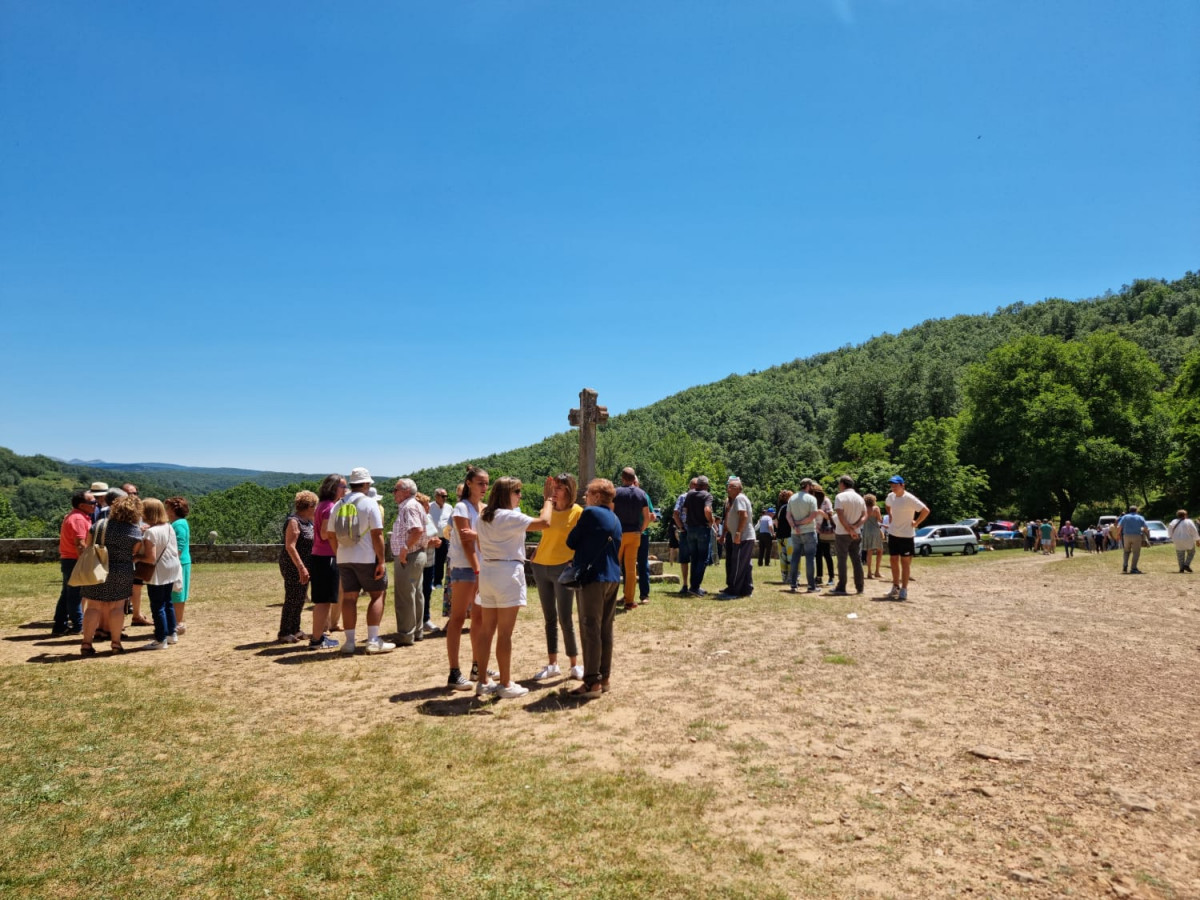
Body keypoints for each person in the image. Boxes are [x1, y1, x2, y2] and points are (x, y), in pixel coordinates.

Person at [474, 477, 554, 698]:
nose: (520, 495)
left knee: (487, 629)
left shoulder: (483, 517)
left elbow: (479, 544)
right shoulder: (509, 516)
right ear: (506, 494)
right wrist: (548, 500)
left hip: (488, 571)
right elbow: (545, 522)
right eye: (517, 491)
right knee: (505, 633)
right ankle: (506, 684)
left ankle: (482, 681)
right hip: (507, 572)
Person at [325, 467, 393, 655]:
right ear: (364, 484)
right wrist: (381, 560)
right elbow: (377, 534)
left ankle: (349, 642)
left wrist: (339, 552)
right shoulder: (369, 503)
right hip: (367, 557)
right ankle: (372, 640)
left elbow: (330, 534)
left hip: (344, 558)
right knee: (377, 595)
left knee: (349, 598)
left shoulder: (338, 505)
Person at [566, 478, 623, 699]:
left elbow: (571, 541)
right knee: (605, 629)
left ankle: (591, 683)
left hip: (593, 578)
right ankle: (604, 677)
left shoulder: (589, 514)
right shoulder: (615, 518)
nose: (584, 497)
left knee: (590, 628)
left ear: (597, 496)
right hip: (612, 577)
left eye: (588, 493)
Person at [529, 472, 584, 682]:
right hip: (541, 566)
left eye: (559, 488)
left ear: (569, 490)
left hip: (563, 568)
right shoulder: (548, 509)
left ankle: (574, 664)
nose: (555, 491)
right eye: (554, 487)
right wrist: (535, 551)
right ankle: (552, 664)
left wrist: (574, 561)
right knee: (549, 619)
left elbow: (582, 541)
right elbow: (544, 533)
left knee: (565, 618)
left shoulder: (578, 512)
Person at [80, 495, 145, 655]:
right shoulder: (135, 531)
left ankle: (86, 644)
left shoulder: (100, 524)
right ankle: (116, 643)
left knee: (93, 606)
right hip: (122, 571)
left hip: (97, 569)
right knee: (117, 607)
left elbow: (88, 545)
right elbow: (135, 552)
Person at [445, 466, 489, 691]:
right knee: (458, 618)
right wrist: (478, 570)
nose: (484, 487)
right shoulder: (461, 508)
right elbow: (466, 542)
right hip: (465, 568)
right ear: (469, 483)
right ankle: (454, 671)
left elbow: (487, 538)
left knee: (479, 619)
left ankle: (477, 665)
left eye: (486, 483)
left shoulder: (484, 508)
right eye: (480, 483)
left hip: (481, 567)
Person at [136, 498, 183, 650]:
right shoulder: (169, 527)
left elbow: (150, 558)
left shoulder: (150, 532)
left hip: (158, 571)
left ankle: (160, 638)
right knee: (168, 602)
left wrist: (136, 557)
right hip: (171, 567)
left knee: (157, 605)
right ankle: (171, 634)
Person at [305, 475, 345, 649]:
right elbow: (324, 533)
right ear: (333, 488)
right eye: (343, 486)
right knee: (324, 601)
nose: (346, 489)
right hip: (327, 557)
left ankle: (318, 636)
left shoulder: (322, 505)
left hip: (320, 557)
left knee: (322, 600)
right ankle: (317, 639)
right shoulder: (330, 508)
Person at [390, 478, 427, 647]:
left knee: (405, 596)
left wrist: (404, 549)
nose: (393, 493)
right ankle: (417, 631)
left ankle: (406, 635)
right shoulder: (414, 505)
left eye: (395, 489)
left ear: (405, 491)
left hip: (409, 556)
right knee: (415, 594)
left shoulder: (409, 506)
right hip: (416, 554)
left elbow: (417, 530)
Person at [52, 489, 95, 636]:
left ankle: (59, 625)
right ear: (82, 505)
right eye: (92, 502)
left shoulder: (77, 516)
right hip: (74, 560)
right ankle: (78, 625)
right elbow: (80, 543)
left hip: (69, 560)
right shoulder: (78, 519)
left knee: (67, 593)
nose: (95, 505)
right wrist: (84, 562)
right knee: (75, 594)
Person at [880, 476, 929, 602]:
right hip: (893, 533)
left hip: (907, 535)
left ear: (903, 485)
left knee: (905, 562)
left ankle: (904, 589)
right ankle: (895, 586)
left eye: (896, 485)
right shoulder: (891, 496)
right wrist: (890, 515)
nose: (893, 487)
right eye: (892, 485)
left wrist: (917, 522)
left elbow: (925, 510)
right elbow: (887, 505)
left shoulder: (909, 498)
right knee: (893, 559)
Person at [277, 491, 317, 643]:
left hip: (306, 564)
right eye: (315, 505)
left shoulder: (308, 521)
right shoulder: (294, 521)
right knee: (292, 597)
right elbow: (290, 546)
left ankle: (295, 628)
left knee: (300, 597)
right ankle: (284, 631)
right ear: (309, 506)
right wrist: (301, 567)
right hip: (293, 565)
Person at [612, 467, 651, 612]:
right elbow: (647, 517)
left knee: (614, 566)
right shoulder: (642, 494)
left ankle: (610, 597)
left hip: (619, 534)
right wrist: (640, 530)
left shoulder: (616, 492)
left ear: (622, 478)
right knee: (630, 569)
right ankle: (629, 601)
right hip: (635, 534)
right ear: (634, 478)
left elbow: (610, 512)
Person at [829, 475, 866, 596]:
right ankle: (860, 587)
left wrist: (848, 528)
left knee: (842, 560)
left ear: (843, 484)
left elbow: (840, 514)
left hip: (842, 533)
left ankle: (841, 586)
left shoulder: (840, 496)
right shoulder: (860, 498)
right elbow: (864, 515)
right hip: (857, 533)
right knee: (857, 560)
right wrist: (855, 527)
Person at [719, 477, 755, 598]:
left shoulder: (739, 498)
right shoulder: (735, 499)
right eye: (728, 486)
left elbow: (743, 516)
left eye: (731, 487)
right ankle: (746, 589)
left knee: (738, 563)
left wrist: (738, 533)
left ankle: (733, 591)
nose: (728, 489)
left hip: (743, 537)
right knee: (744, 564)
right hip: (743, 536)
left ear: (739, 488)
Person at [682, 476, 716, 596]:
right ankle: (695, 587)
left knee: (694, 558)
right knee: (703, 559)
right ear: (706, 485)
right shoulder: (707, 495)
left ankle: (693, 586)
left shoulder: (690, 494)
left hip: (690, 529)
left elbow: (685, 510)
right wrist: (711, 521)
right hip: (702, 529)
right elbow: (707, 510)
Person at [786, 479, 821, 593]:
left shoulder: (792, 498)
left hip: (795, 532)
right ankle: (811, 586)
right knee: (810, 558)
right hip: (809, 531)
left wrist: (794, 525)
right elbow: (813, 516)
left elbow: (788, 515)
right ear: (808, 486)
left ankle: (793, 584)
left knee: (795, 557)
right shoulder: (811, 499)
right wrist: (800, 523)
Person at [416, 493, 443, 634]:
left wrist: (436, 541)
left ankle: (425, 619)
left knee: (427, 591)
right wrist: (429, 543)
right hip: (418, 561)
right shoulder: (415, 520)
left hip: (430, 561)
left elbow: (434, 533)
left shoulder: (429, 517)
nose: (428, 507)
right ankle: (417, 621)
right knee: (418, 592)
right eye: (425, 504)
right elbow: (412, 542)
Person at [164, 497, 192, 634]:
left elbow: (179, 545)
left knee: (177, 593)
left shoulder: (179, 524)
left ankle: (179, 623)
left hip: (180, 563)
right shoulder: (177, 522)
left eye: (167, 508)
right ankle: (175, 621)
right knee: (175, 593)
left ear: (173, 510)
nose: (165, 510)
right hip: (178, 562)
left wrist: (173, 561)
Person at [672, 478, 698, 594]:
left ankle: (693, 585)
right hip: (687, 532)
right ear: (692, 485)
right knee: (685, 559)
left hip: (692, 531)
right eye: (698, 485)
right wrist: (681, 528)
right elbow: (675, 514)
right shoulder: (683, 497)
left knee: (694, 559)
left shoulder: (700, 497)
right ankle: (686, 584)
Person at [429, 488, 454, 589]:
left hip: (444, 538)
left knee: (440, 560)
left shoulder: (449, 507)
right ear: (436, 496)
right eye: (443, 496)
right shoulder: (430, 506)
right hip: (432, 538)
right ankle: (429, 581)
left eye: (446, 496)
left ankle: (438, 581)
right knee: (430, 560)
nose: (445, 498)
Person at [1115, 505, 1151, 575]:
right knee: (1136, 552)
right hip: (1136, 536)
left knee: (1126, 551)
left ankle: (1125, 565)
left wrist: (1118, 535)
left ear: (1129, 510)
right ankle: (1133, 568)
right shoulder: (1140, 517)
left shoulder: (1125, 517)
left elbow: (1119, 526)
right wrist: (1146, 534)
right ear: (1136, 510)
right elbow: (1145, 527)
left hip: (1126, 536)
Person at [811, 485, 836, 586]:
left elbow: (830, 516)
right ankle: (819, 576)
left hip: (824, 531)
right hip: (815, 530)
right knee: (817, 555)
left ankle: (831, 577)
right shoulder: (813, 501)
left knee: (827, 554)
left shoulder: (826, 501)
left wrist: (821, 512)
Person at [861, 494, 884, 579]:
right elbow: (880, 519)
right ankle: (877, 571)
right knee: (880, 550)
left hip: (866, 531)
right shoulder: (876, 508)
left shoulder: (863, 509)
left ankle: (869, 572)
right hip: (875, 530)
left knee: (869, 551)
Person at [775, 491, 793, 581]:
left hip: (780, 535)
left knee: (783, 557)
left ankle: (784, 577)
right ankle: (791, 577)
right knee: (791, 557)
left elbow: (776, 522)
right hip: (788, 535)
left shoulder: (779, 508)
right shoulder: (788, 507)